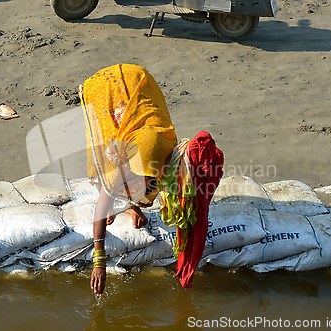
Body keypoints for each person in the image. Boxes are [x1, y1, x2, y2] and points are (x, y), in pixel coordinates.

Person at [79, 64, 223, 297]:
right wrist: (99, 262)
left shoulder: (171, 156)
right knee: (104, 154)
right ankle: (125, 203)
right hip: (105, 90)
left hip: (138, 82)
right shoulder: (124, 161)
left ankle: (129, 204)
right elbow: (101, 208)